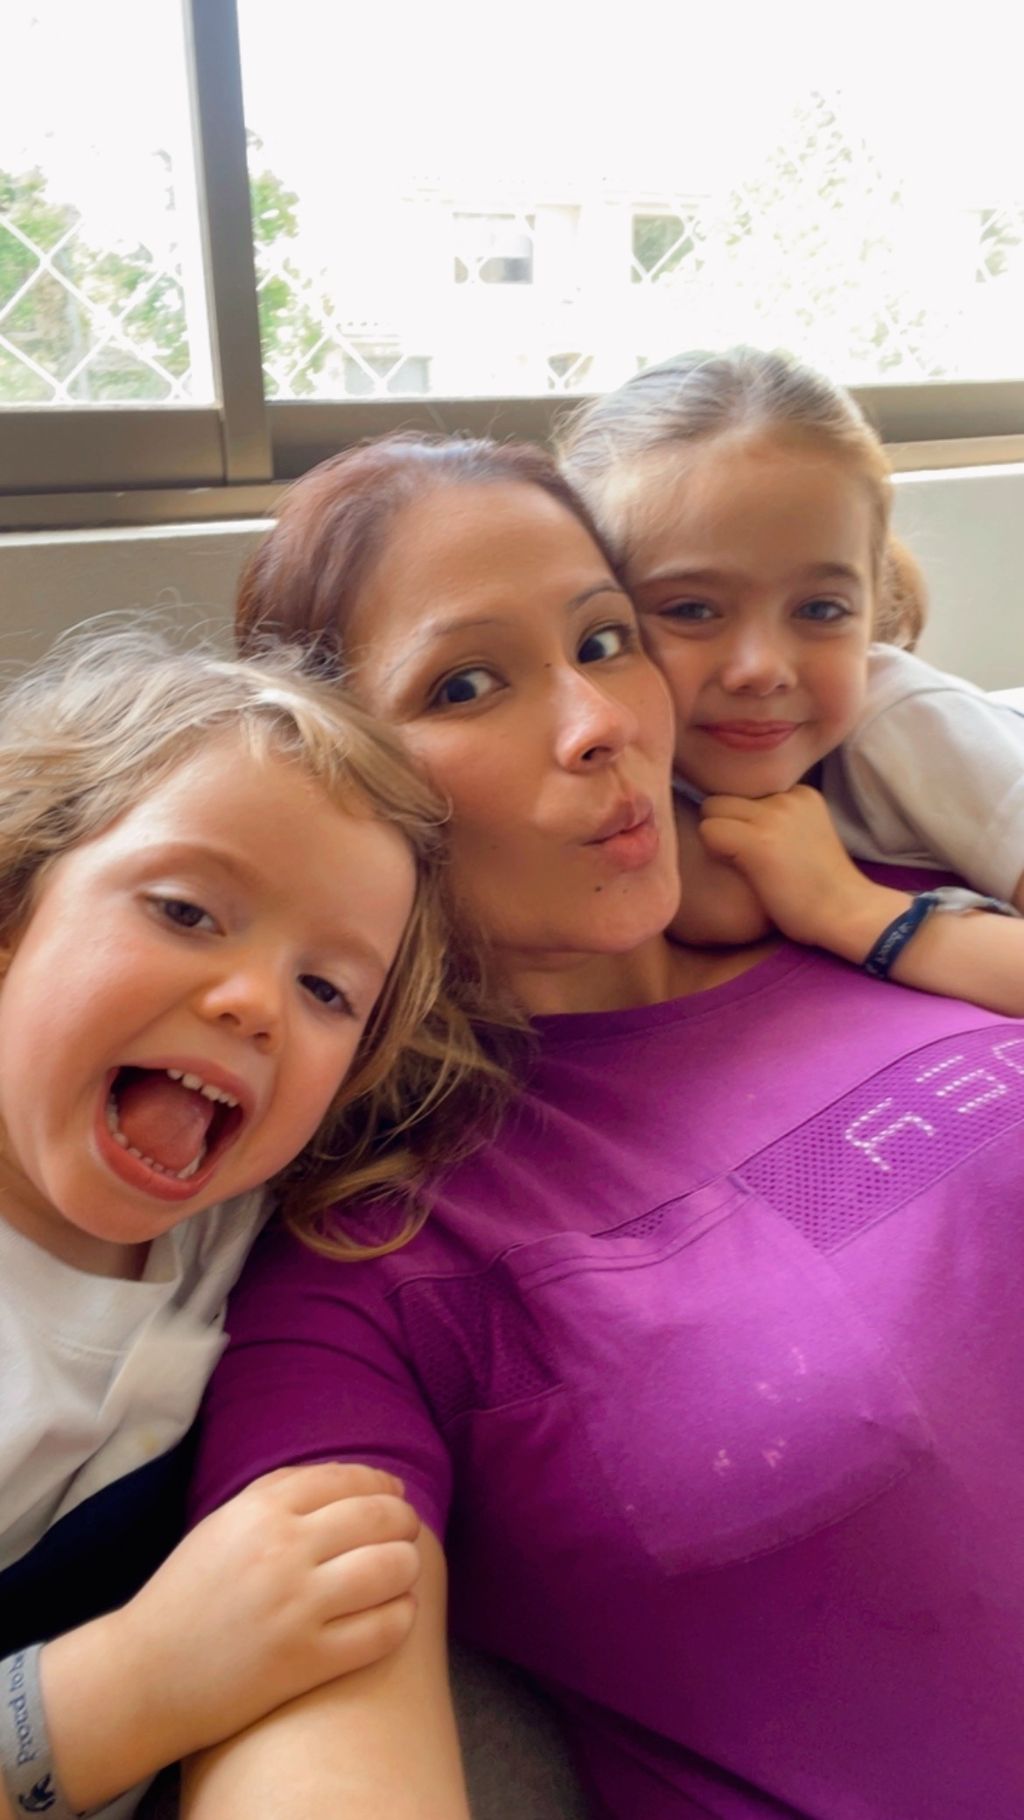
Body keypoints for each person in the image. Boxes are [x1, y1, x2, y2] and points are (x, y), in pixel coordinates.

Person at [186, 436, 1024, 1820]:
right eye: (467, 684)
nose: (599, 724)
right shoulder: (376, 1261)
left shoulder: (879, 894)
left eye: (603, 639)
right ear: (339, 774)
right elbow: (308, 1702)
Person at [0, 623, 496, 1820]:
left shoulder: (231, 1224)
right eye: (186, 910)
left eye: (328, 988)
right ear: (13, 909)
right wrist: (135, 1682)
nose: (256, 1003)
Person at [559, 346, 1024, 1012]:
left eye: (821, 610)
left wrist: (844, 906)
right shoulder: (607, 747)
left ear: (873, 602)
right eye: (692, 610)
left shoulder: (906, 724)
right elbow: (724, 909)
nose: (762, 669)